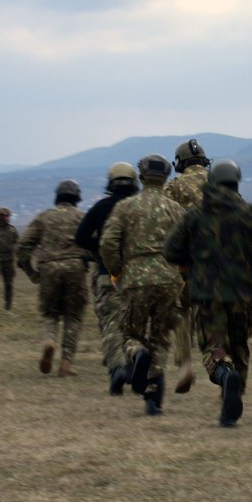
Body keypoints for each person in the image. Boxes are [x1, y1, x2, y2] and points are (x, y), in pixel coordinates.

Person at [163, 159, 252, 427]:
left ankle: (222, 374)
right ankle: (231, 402)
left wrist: (191, 263)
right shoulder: (250, 212)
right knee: (239, 346)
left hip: (207, 295)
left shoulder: (196, 215)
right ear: (236, 181)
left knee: (213, 347)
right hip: (243, 293)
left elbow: (170, 250)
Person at [100, 155, 186, 415]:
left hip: (135, 278)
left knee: (131, 334)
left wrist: (117, 270)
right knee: (160, 338)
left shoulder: (126, 207)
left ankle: (137, 354)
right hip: (169, 278)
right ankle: (153, 398)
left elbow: (107, 243)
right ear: (166, 177)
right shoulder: (176, 209)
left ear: (142, 176)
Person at [74, 162, 140, 394]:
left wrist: (100, 247)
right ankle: (136, 357)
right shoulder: (140, 207)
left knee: (112, 324)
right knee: (136, 324)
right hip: (138, 276)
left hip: (107, 274)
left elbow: (80, 238)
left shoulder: (101, 207)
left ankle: (118, 369)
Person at [17, 181, 91, 376]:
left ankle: (50, 340)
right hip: (75, 267)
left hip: (48, 268)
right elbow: (96, 243)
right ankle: (66, 362)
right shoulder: (82, 218)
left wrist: (31, 272)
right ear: (77, 198)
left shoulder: (44, 217)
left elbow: (23, 246)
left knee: (50, 314)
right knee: (73, 316)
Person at [163, 138, 211, 394]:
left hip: (187, 261)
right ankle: (223, 367)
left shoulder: (175, 186)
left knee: (181, 309)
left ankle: (185, 365)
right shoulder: (220, 182)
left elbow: (164, 218)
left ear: (180, 164)